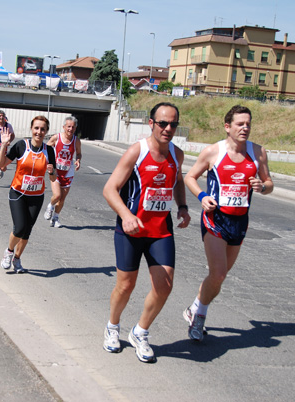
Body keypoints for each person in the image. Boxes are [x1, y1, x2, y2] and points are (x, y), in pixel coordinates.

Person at [102, 102, 191, 363]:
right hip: (131, 230)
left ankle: (140, 332)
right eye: (163, 123)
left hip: (160, 231)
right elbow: (109, 189)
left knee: (164, 286)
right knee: (125, 285)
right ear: (151, 124)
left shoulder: (178, 154)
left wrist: (183, 206)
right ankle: (112, 326)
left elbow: (178, 181)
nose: (168, 128)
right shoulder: (136, 152)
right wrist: (127, 216)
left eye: (173, 124)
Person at [182, 105, 273, 343]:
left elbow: (269, 183)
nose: (245, 128)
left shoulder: (258, 152)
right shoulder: (213, 152)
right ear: (227, 126)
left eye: (248, 124)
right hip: (215, 220)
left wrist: (261, 187)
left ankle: (194, 307)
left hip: (240, 222)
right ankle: (199, 316)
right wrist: (203, 197)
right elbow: (190, 177)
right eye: (240, 124)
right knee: (219, 273)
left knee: (219, 277)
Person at [0, 116, 57, 273]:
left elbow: (53, 177)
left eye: (42, 129)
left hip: (36, 197)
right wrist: (4, 145)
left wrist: (52, 171)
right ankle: (9, 252)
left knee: (27, 230)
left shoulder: (49, 151)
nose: (39, 132)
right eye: (36, 128)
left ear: (46, 132)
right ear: (32, 129)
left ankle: (17, 259)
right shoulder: (21, 146)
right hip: (18, 193)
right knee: (20, 228)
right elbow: (1, 164)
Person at [43, 116, 82, 228]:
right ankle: (50, 206)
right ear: (64, 127)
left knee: (62, 198)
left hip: (68, 172)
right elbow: (46, 149)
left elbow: (79, 153)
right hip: (55, 171)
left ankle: (55, 218)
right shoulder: (56, 138)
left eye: (73, 127)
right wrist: (48, 162)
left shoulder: (76, 141)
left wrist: (78, 160)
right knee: (57, 195)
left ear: (75, 128)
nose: (70, 129)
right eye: (68, 126)